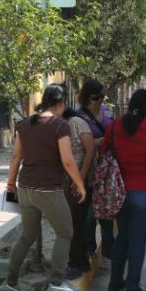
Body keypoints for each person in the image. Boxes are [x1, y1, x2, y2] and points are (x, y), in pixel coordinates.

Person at [0, 84, 86, 291]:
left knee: (26, 235)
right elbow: (67, 161)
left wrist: (11, 184)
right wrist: (80, 184)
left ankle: (10, 283)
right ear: (61, 104)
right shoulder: (59, 126)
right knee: (65, 232)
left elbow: (16, 157)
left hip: (26, 188)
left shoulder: (25, 124)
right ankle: (57, 282)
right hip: (48, 190)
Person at [104, 89, 146, 291]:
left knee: (122, 235)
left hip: (118, 192)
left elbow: (104, 155)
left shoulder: (113, 127)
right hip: (145, 192)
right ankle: (132, 287)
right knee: (138, 239)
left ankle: (115, 281)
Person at [75, 80, 115, 262]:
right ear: (87, 97)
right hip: (90, 167)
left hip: (106, 167)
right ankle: (90, 246)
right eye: (95, 98)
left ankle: (108, 246)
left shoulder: (106, 111)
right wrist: (95, 143)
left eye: (101, 97)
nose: (99, 101)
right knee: (90, 212)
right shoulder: (79, 116)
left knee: (106, 208)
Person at [62, 96, 97, 280]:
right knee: (74, 222)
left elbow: (90, 149)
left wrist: (80, 179)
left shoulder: (76, 123)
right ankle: (80, 261)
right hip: (65, 181)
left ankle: (75, 262)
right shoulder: (58, 124)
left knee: (74, 222)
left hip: (79, 180)